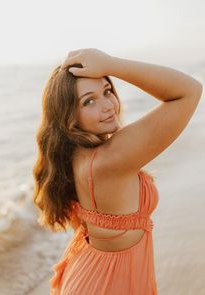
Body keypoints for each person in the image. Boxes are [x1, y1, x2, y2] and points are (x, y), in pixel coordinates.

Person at [32, 48, 203, 295]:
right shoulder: (112, 157)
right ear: (68, 115)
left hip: (91, 272)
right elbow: (188, 91)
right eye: (89, 101)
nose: (108, 106)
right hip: (108, 284)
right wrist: (111, 64)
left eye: (107, 91)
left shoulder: (72, 153)